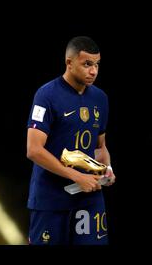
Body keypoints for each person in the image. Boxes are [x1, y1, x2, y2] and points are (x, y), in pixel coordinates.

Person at [26, 36, 116, 245]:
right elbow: (33, 150)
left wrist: (107, 169)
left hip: (89, 199)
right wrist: (76, 176)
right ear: (69, 62)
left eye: (96, 64)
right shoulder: (46, 95)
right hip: (51, 199)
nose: (93, 71)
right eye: (87, 64)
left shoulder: (100, 98)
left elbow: (100, 147)